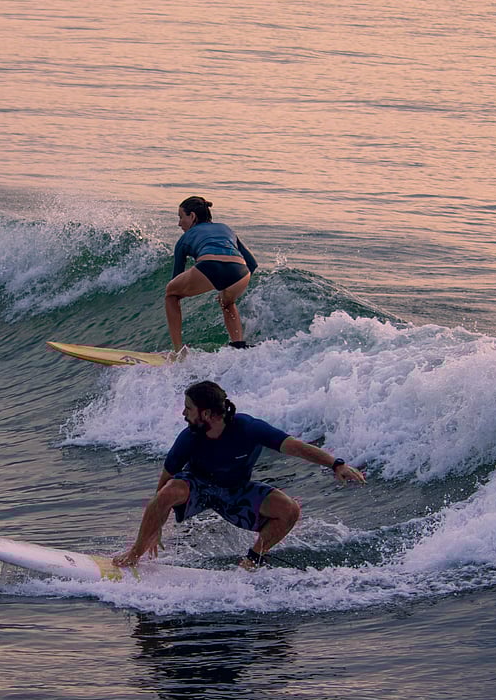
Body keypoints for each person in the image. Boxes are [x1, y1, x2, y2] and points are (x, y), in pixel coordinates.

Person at [113, 381, 366, 571]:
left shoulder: (249, 429)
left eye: (189, 408)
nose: (184, 414)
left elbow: (297, 447)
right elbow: (164, 486)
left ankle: (253, 559)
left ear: (207, 414)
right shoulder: (188, 438)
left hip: (236, 492)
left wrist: (336, 464)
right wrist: (156, 526)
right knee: (170, 490)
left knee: (289, 510)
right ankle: (134, 554)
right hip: (197, 487)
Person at [166, 195, 258, 352]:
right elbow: (253, 264)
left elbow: (176, 278)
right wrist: (229, 288)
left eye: (181, 217)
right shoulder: (226, 228)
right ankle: (238, 345)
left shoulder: (185, 238)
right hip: (240, 271)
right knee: (227, 302)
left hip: (209, 265)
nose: (179, 223)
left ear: (192, 216)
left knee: (171, 294)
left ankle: (178, 350)